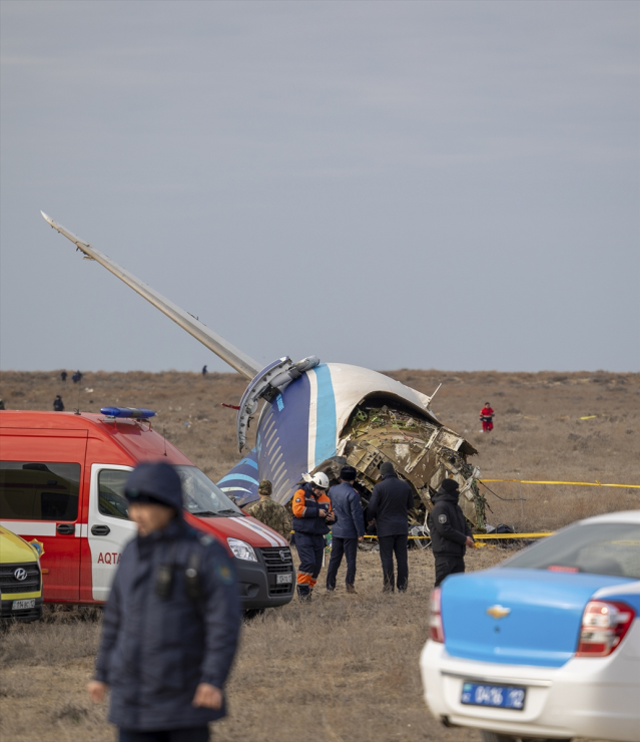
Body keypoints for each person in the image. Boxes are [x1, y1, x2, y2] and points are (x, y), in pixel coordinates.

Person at [88, 461, 241, 742]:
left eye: (145, 506)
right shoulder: (132, 552)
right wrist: (102, 674)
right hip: (132, 702)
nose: (136, 515)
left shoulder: (204, 553)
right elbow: (114, 619)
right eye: (133, 506)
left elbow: (224, 622)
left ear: (169, 504)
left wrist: (212, 679)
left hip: (185, 698)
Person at [367, 462, 414, 592]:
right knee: (402, 558)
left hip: (385, 528)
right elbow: (411, 505)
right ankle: (402, 586)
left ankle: (388, 587)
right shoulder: (405, 486)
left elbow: (371, 506)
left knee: (387, 558)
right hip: (402, 528)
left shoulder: (379, 487)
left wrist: (370, 519)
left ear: (382, 474)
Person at [291, 472, 334, 600]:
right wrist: (316, 512)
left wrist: (331, 518)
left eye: (323, 490)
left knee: (316, 566)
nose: (320, 492)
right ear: (313, 485)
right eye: (319, 489)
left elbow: (329, 515)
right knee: (308, 562)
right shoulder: (301, 493)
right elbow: (297, 510)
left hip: (318, 535)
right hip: (303, 534)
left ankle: (309, 590)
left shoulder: (326, 499)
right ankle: (303, 592)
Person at [428, 478, 475, 587]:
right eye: (456, 490)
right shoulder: (440, 507)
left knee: (457, 588)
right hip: (445, 554)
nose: (458, 492)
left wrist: (470, 537)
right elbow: (444, 529)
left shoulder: (455, 507)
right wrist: (464, 539)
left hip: (457, 554)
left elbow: (463, 525)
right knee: (442, 586)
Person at [325, 465, 365, 594]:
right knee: (351, 560)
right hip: (350, 532)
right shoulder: (353, 494)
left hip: (336, 529)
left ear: (341, 477)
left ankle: (330, 585)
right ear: (353, 479)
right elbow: (356, 515)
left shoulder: (332, 490)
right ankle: (349, 584)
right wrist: (360, 533)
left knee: (334, 559)